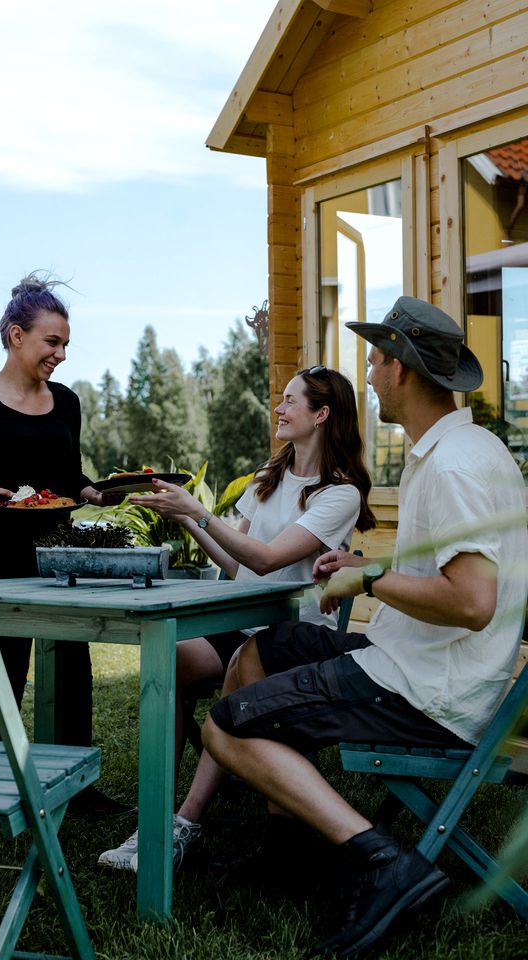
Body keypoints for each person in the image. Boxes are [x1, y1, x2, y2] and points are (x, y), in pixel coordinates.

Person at [200, 296, 528, 957]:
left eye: (377, 360)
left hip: (428, 691)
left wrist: (368, 578)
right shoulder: (456, 448)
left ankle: (385, 863)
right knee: (264, 650)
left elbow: (471, 602)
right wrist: (355, 566)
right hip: (415, 661)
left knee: (226, 723)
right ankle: (288, 851)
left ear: (402, 369)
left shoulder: (456, 463)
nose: (370, 375)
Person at [98, 365, 376, 869]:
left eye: (291, 400)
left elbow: (268, 559)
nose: (279, 407)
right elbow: (237, 563)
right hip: (244, 617)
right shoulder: (270, 477)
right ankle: (155, 814)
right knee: (172, 658)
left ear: (321, 414)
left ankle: (186, 824)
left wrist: (199, 512)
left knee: (236, 671)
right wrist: (184, 515)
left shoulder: (341, 494)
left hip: (291, 636)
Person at [0, 271, 125, 815]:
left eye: (65, 344)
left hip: (59, 549)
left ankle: (78, 785)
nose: (61, 354)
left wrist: (100, 493)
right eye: (52, 342)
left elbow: (69, 477)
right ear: (17, 336)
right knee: (5, 671)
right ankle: (6, 779)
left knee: (72, 666)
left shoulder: (66, 401)